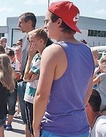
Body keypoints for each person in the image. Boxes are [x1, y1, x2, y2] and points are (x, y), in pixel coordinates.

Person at [33, 1, 95, 137]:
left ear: (59, 22)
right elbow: (88, 92)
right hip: (81, 128)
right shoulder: (88, 51)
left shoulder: (53, 51)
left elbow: (41, 95)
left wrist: (35, 125)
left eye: (47, 20)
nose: (44, 26)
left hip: (55, 129)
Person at [22, 28, 48, 135]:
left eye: (32, 41)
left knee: (35, 127)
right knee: (31, 126)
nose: (30, 45)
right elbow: (26, 78)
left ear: (41, 41)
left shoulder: (42, 57)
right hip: (29, 96)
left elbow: (27, 76)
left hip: (35, 98)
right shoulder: (37, 56)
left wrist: (29, 58)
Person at [17, 12, 37, 137]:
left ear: (29, 23)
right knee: (26, 118)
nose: (18, 25)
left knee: (34, 119)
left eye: (21, 22)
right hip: (23, 82)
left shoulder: (41, 38)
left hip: (34, 84)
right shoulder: (25, 39)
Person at [4, 48, 19, 131]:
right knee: (3, 105)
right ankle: (3, 122)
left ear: (13, 57)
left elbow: (16, 75)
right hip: (4, 87)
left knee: (11, 105)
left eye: (9, 58)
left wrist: (10, 70)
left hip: (12, 87)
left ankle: (9, 123)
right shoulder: (4, 65)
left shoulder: (16, 64)